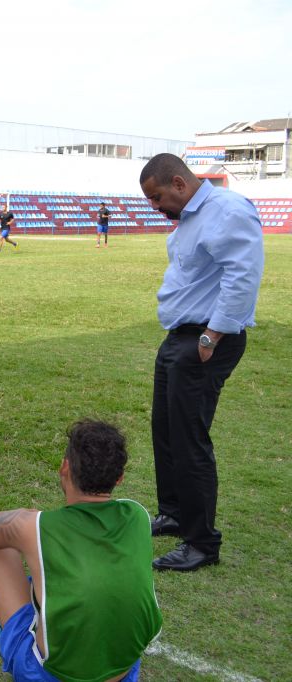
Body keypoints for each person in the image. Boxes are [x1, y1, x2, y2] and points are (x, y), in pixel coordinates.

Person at [0, 420, 163, 681]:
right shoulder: (137, 515)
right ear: (119, 478)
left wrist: (21, 517)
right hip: (125, 673)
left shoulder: (34, 526)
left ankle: (0, 620)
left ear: (65, 466)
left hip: (48, 674)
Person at [139, 153, 264, 571]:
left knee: (190, 439)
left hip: (207, 339)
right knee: (166, 429)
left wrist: (212, 335)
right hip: (181, 337)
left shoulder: (227, 210)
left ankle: (202, 543)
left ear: (178, 183)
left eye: (157, 198)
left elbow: (242, 276)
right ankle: (174, 513)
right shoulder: (190, 220)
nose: (156, 208)